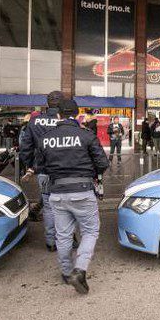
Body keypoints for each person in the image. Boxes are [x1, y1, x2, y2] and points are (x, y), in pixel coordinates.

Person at [36, 99, 109, 294]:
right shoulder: (86, 135)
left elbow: (40, 167)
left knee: (63, 235)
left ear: (57, 114)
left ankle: (67, 272)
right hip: (83, 191)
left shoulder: (46, 137)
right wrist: (93, 174)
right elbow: (102, 163)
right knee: (90, 231)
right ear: (77, 115)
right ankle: (80, 270)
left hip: (57, 193)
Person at [19, 90, 62, 252]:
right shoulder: (66, 121)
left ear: (47, 103)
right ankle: (66, 238)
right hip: (64, 171)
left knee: (49, 207)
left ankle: (51, 242)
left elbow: (26, 147)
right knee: (66, 205)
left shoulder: (35, 121)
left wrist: (31, 166)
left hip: (43, 169)